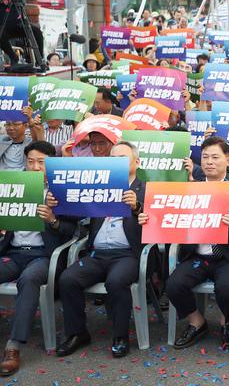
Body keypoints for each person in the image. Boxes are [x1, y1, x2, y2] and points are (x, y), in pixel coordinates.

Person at [139, 137, 229, 350]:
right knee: (173, 285)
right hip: (197, 255)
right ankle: (196, 321)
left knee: (227, 288)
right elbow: (168, 216)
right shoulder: (189, 188)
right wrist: (148, 218)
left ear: (228, 160)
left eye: (215, 157)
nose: (209, 162)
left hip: (228, 256)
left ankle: (226, 321)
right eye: (205, 157)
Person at [56, 141, 145, 359]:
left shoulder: (146, 190)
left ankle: (120, 336)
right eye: (113, 159)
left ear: (137, 162)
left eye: (123, 158)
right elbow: (72, 211)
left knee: (116, 281)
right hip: (97, 253)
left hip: (127, 253)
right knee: (68, 279)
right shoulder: (98, 186)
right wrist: (55, 202)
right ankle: (78, 333)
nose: (118, 163)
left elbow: (159, 222)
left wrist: (137, 207)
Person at [0, 141, 77, 377]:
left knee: (29, 279)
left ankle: (13, 347)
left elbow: (71, 231)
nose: (35, 167)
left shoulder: (61, 191)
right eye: (30, 162)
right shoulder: (13, 187)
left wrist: (52, 219)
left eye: (41, 163)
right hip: (12, 253)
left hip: (42, 256)